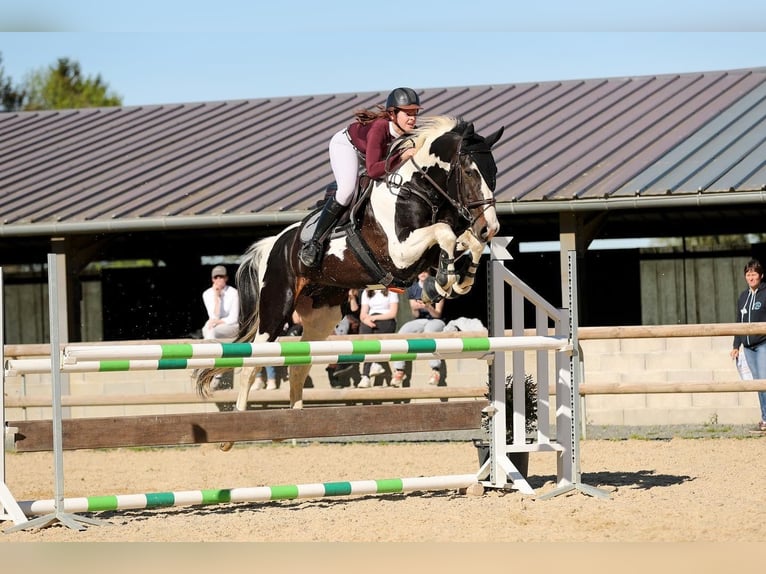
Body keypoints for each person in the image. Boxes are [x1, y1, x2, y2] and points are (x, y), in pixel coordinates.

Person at [298, 87, 423, 268]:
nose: (412, 118)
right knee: (347, 190)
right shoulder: (380, 128)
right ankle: (314, 243)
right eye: (408, 113)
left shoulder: (411, 132)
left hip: (371, 155)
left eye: (415, 113)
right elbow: (372, 170)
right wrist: (402, 156)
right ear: (393, 114)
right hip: (346, 146)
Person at [390, 271, 446, 387]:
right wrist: (416, 308)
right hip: (420, 320)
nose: (422, 273)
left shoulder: (437, 287)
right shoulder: (413, 288)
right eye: (420, 271)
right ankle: (399, 370)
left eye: (425, 271)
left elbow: (437, 314)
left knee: (429, 332)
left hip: (435, 320)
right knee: (402, 331)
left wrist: (428, 306)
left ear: (429, 272)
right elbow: (415, 313)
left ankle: (435, 370)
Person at [730, 258, 766, 432]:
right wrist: (736, 345)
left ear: (761, 275)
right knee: (758, 384)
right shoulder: (743, 296)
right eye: (748, 274)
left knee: (764, 381)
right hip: (748, 347)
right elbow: (739, 321)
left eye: (754, 274)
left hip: (763, 344)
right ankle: (765, 419)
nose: (751, 277)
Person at [357, 287, 399, 388]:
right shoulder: (366, 292)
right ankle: (375, 366)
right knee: (365, 333)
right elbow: (363, 313)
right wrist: (366, 320)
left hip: (386, 319)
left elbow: (393, 313)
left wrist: (374, 318)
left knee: (374, 341)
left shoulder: (392, 291)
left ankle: (366, 375)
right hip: (370, 319)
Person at [201, 265, 239, 340]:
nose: (218, 280)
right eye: (216, 277)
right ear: (212, 280)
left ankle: (211, 351)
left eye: (221, 277)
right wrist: (217, 297)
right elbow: (214, 316)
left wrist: (218, 322)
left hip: (231, 325)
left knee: (212, 331)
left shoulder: (234, 293)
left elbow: (233, 319)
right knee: (207, 330)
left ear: (226, 278)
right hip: (213, 324)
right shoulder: (207, 294)